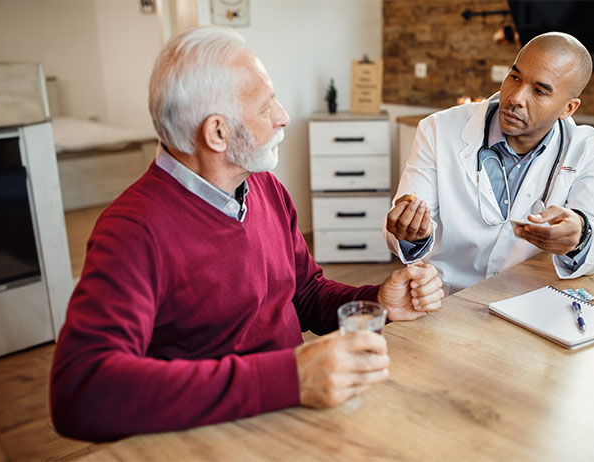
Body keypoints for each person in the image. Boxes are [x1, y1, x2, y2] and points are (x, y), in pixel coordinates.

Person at [49, 26, 445, 442]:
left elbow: (304, 294)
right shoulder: (132, 232)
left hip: (294, 414)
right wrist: (289, 378)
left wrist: (373, 301)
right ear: (217, 133)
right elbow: (81, 392)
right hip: (213, 439)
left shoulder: (263, 186)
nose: (283, 116)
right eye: (265, 105)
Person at [384, 32, 594, 291]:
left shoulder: (586, 149)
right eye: (515, 77)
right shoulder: (438, 129)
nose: (515, 97)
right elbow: (401, 232)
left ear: (568, 108)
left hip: (525, 303)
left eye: (539, 91)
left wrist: (579, 237)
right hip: (444, 296)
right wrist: (410, 234)